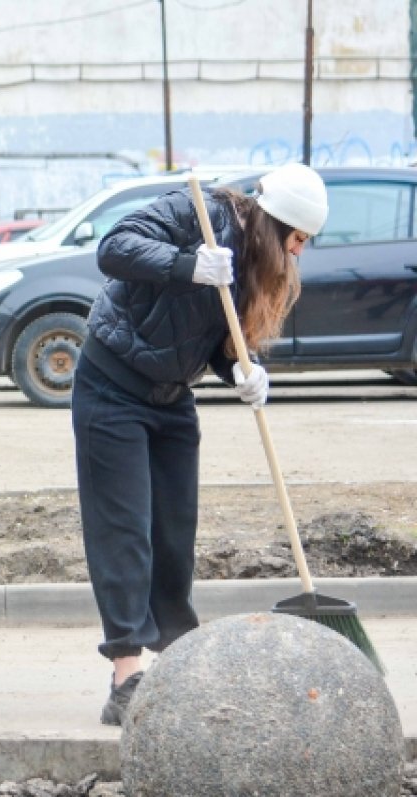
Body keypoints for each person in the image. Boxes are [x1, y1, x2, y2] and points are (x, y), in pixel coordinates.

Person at [74, 162, 328, 725]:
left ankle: (178, 662)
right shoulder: (200, 215)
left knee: (172, 532)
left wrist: (241, 369)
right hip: (111, 386)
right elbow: (114, 248)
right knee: (123, 532)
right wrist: (188, 264)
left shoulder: (258, 264)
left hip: (170, 398)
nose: (298, 253)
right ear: (276, 223)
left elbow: (217, 334)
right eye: (297, 238)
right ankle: (125, 679)